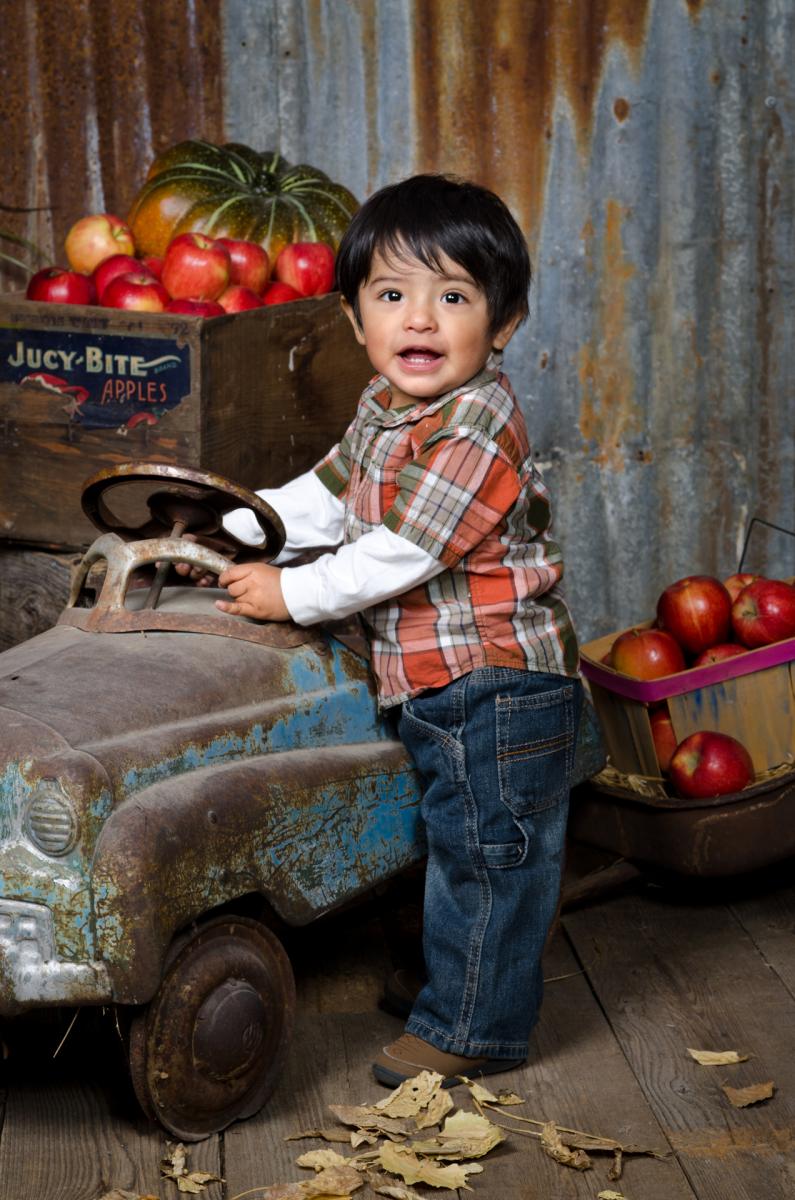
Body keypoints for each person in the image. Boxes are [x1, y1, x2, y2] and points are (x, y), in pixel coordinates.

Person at [183, 173, 583, 1087]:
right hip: (433, 682)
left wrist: (292, 596)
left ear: (504, 322)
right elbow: (325, 498)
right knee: (447, 840)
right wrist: (231, 524)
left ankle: (475, 1026)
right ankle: (463, 984)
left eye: (452, 298)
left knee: (487, 856)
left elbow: (400, 551)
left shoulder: (479, 424)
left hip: (496, 682)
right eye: (393, 296)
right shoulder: (383, 407)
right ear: (355, 319)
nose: (420, 321)